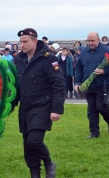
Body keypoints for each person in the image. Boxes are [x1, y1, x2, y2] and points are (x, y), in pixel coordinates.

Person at [15, 28, 65, 178]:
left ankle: (49, 163)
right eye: (20, 42)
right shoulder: (19, 59)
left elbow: (59, 84)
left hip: (42, 105)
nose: (22, 45)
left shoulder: (48, 58)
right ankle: (34, 173)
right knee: (27, 145)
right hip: (25, 107)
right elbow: (17, 84)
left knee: (34, 141)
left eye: (25, 42)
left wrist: (56, 109)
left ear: (35, 41)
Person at [74, 32, 109, 139]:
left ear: (98, 39)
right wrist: (77, 82)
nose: (90, 43)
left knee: (101, 107)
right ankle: (94, 133)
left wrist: (104, 71)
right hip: (88, 85)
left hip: (102, 84)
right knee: (92, 109)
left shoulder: (106, 51)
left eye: (92, 40)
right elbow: (79, 68)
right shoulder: (84, 51)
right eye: (88, 41)